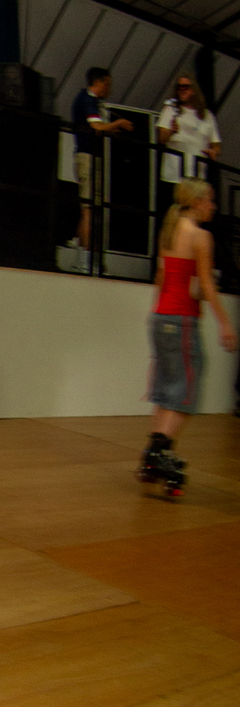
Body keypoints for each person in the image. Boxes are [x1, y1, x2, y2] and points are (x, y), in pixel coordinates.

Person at [138, 177, 236, 494]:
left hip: (161, 317)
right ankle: (157, 451)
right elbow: (205, 285)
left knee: (167, 386)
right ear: (196, 202)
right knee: (187, 388)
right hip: (181, 320)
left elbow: (162, 276)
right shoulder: (199, 236)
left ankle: (157, 453)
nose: (213, 206)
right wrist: (225, 323)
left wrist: (158, 316)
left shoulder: (169, 229)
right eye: (209, 200)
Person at [70, 66, 132, 263]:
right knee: (90, 207)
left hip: (88, 156)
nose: (109, 89)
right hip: (87, 157)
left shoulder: (89, 101)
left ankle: (80, 248)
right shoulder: (88, 100)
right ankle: (88, 255)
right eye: (108, 84)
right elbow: (96, 127)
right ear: (100, 82)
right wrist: (118, 124)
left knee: (89, 206)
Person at [156, 73, 221, 178]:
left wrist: (214, 152)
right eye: (179, 87)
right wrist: (171, 131)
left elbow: (216, 143)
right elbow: (161, 139)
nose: (182, 90)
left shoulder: (207, 115)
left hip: (198, 175)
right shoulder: (171, 109)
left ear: (194, 89)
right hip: (174, 175)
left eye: (186, 87)